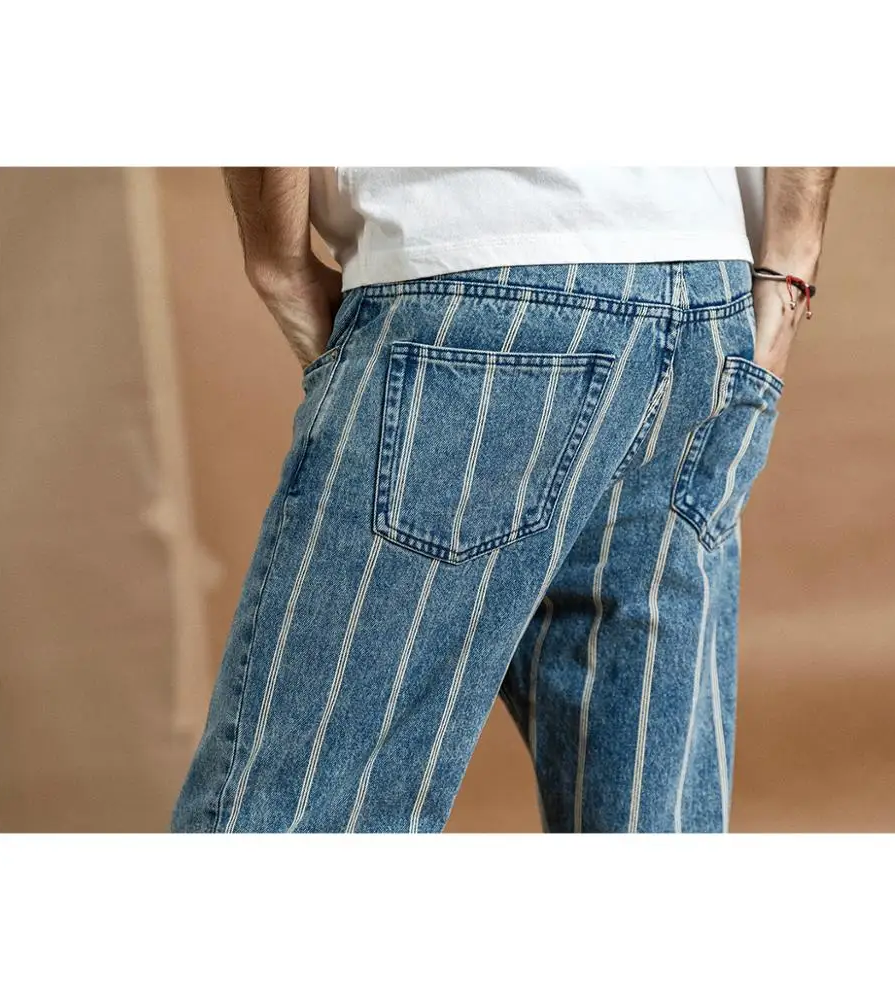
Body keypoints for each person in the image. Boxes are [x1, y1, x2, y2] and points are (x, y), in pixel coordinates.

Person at [171, 166, 837, 833]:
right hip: (706, 300)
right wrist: (793, 261)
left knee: (291, 811)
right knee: (649, 816)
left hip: (474, 272)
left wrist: (276, 262)